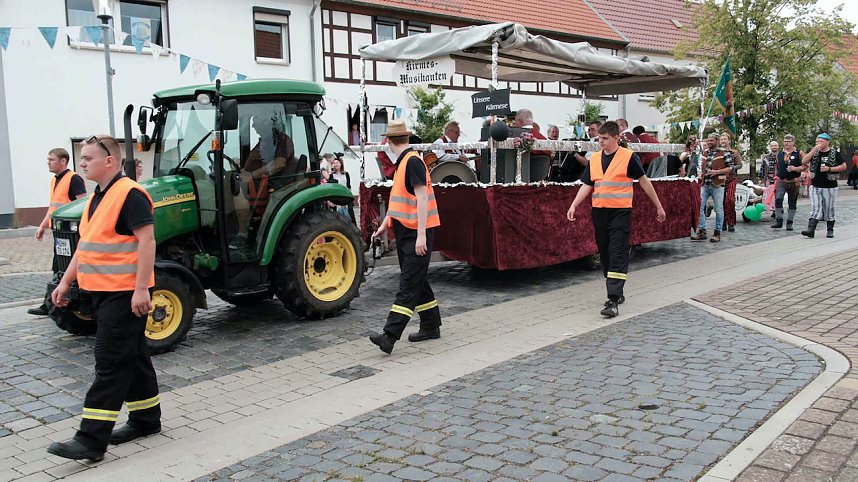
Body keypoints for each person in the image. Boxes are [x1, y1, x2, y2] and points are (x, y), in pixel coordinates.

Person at [47, 135, 160, 461]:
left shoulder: (131, 195)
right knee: (134, 356)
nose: (81, 163)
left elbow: (147, 242)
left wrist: (141, 289)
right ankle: (146, 419)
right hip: (103, 291)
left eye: (87, 157)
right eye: (81, 158)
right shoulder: (98, 196)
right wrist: (66, 281)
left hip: (124, 293)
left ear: (110, 160)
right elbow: (85, 245)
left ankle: (91, 440)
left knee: (110, 361)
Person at [566, 121, 666, 318]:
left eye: (604, 139)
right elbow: (587, 184)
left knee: (618, 251)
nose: (600, 142)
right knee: (605, 253)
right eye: (599, 139)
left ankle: (612, 299)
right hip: (600, 212)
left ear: (616, 138)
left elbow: (644, 182)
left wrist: (658, 205)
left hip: (620, 212)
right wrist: (574, 204)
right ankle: (616, 289)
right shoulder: (595, 159)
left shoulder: (628, 157)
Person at [368, 120, 442, 354]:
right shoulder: (406, 163)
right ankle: (431, 325)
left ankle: (389, 336)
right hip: (406, 230)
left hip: (415, 232)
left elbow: (422, 198)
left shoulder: (411, 163)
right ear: (406, 138)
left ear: (388, 141)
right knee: (416, 279)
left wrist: (421, 235)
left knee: (408, 284)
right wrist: (386, 223)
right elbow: (401, 198)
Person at [28, 148, 87, 317]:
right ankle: (52, 303)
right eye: (48, 159)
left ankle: (52, 304)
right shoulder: (55, 181)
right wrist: (42, 226)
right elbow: (53, 207)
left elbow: (82, 204)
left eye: (51, 159)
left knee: (63, 266)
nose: (48, 162)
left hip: (72, 233)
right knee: (58, 265)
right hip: (60, 232)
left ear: (63, 161)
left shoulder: (73, 179)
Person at [801, 133, 846, 238]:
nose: (818, 144)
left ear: (827, 142)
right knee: (815, 207)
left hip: (830, 186)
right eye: (817, 141)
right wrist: (813, 150)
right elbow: (804, 161)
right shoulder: (815, 153)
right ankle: (810, 230)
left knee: (829, 208)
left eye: (821, 141)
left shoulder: (835, 153)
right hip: (815, 185)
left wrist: (830, 169)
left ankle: (830, 229)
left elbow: (844, 166)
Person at [691, 133, 727, 242]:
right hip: (705, 184)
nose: (709, 142)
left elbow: (730, 169)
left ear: (717, 141)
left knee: (719, 209)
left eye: (711, 140)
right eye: (708, 140)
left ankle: (717, 232)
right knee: (699, 207)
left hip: (718, 184)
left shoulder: (723, 153)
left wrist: (717, 172)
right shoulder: (705, 153)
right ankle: (702, 231)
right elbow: (700, 167)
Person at [771, 135, 804, 230]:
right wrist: (776, 176)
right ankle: (778, 220)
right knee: (778, 198)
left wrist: (796, 169)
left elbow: (805, 165)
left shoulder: (799, 153)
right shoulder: (779, 153)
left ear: (793, 142)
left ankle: (789, 222)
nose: (786, 143)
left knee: (792, 202)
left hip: (794, 181)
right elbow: (777, 166)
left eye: (789, 141)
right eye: (785, 141)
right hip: (782, 180)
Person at [719, 133, 742, 233]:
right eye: (721, 139)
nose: (723, 141)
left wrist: (732, 168)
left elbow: (739, 165)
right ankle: (723, 222)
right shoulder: (718, 152)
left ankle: (731, 222)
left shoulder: (734, 152)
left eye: (725, 139)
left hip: (732, 177)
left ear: (729, 141)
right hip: (721, 178)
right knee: (721, 201)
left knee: (730, 200)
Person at [329, 157, 356, 224]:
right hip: (337, 197)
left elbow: (349, 186)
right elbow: (330, 188)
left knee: (350, 215)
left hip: (346, 196)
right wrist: (330, 201)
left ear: (341, 163)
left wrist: (351, 197)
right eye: (334, 163)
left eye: (337, 163)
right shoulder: (332, 175)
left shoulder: (346, 174)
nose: (335, 164)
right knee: (338, 217)